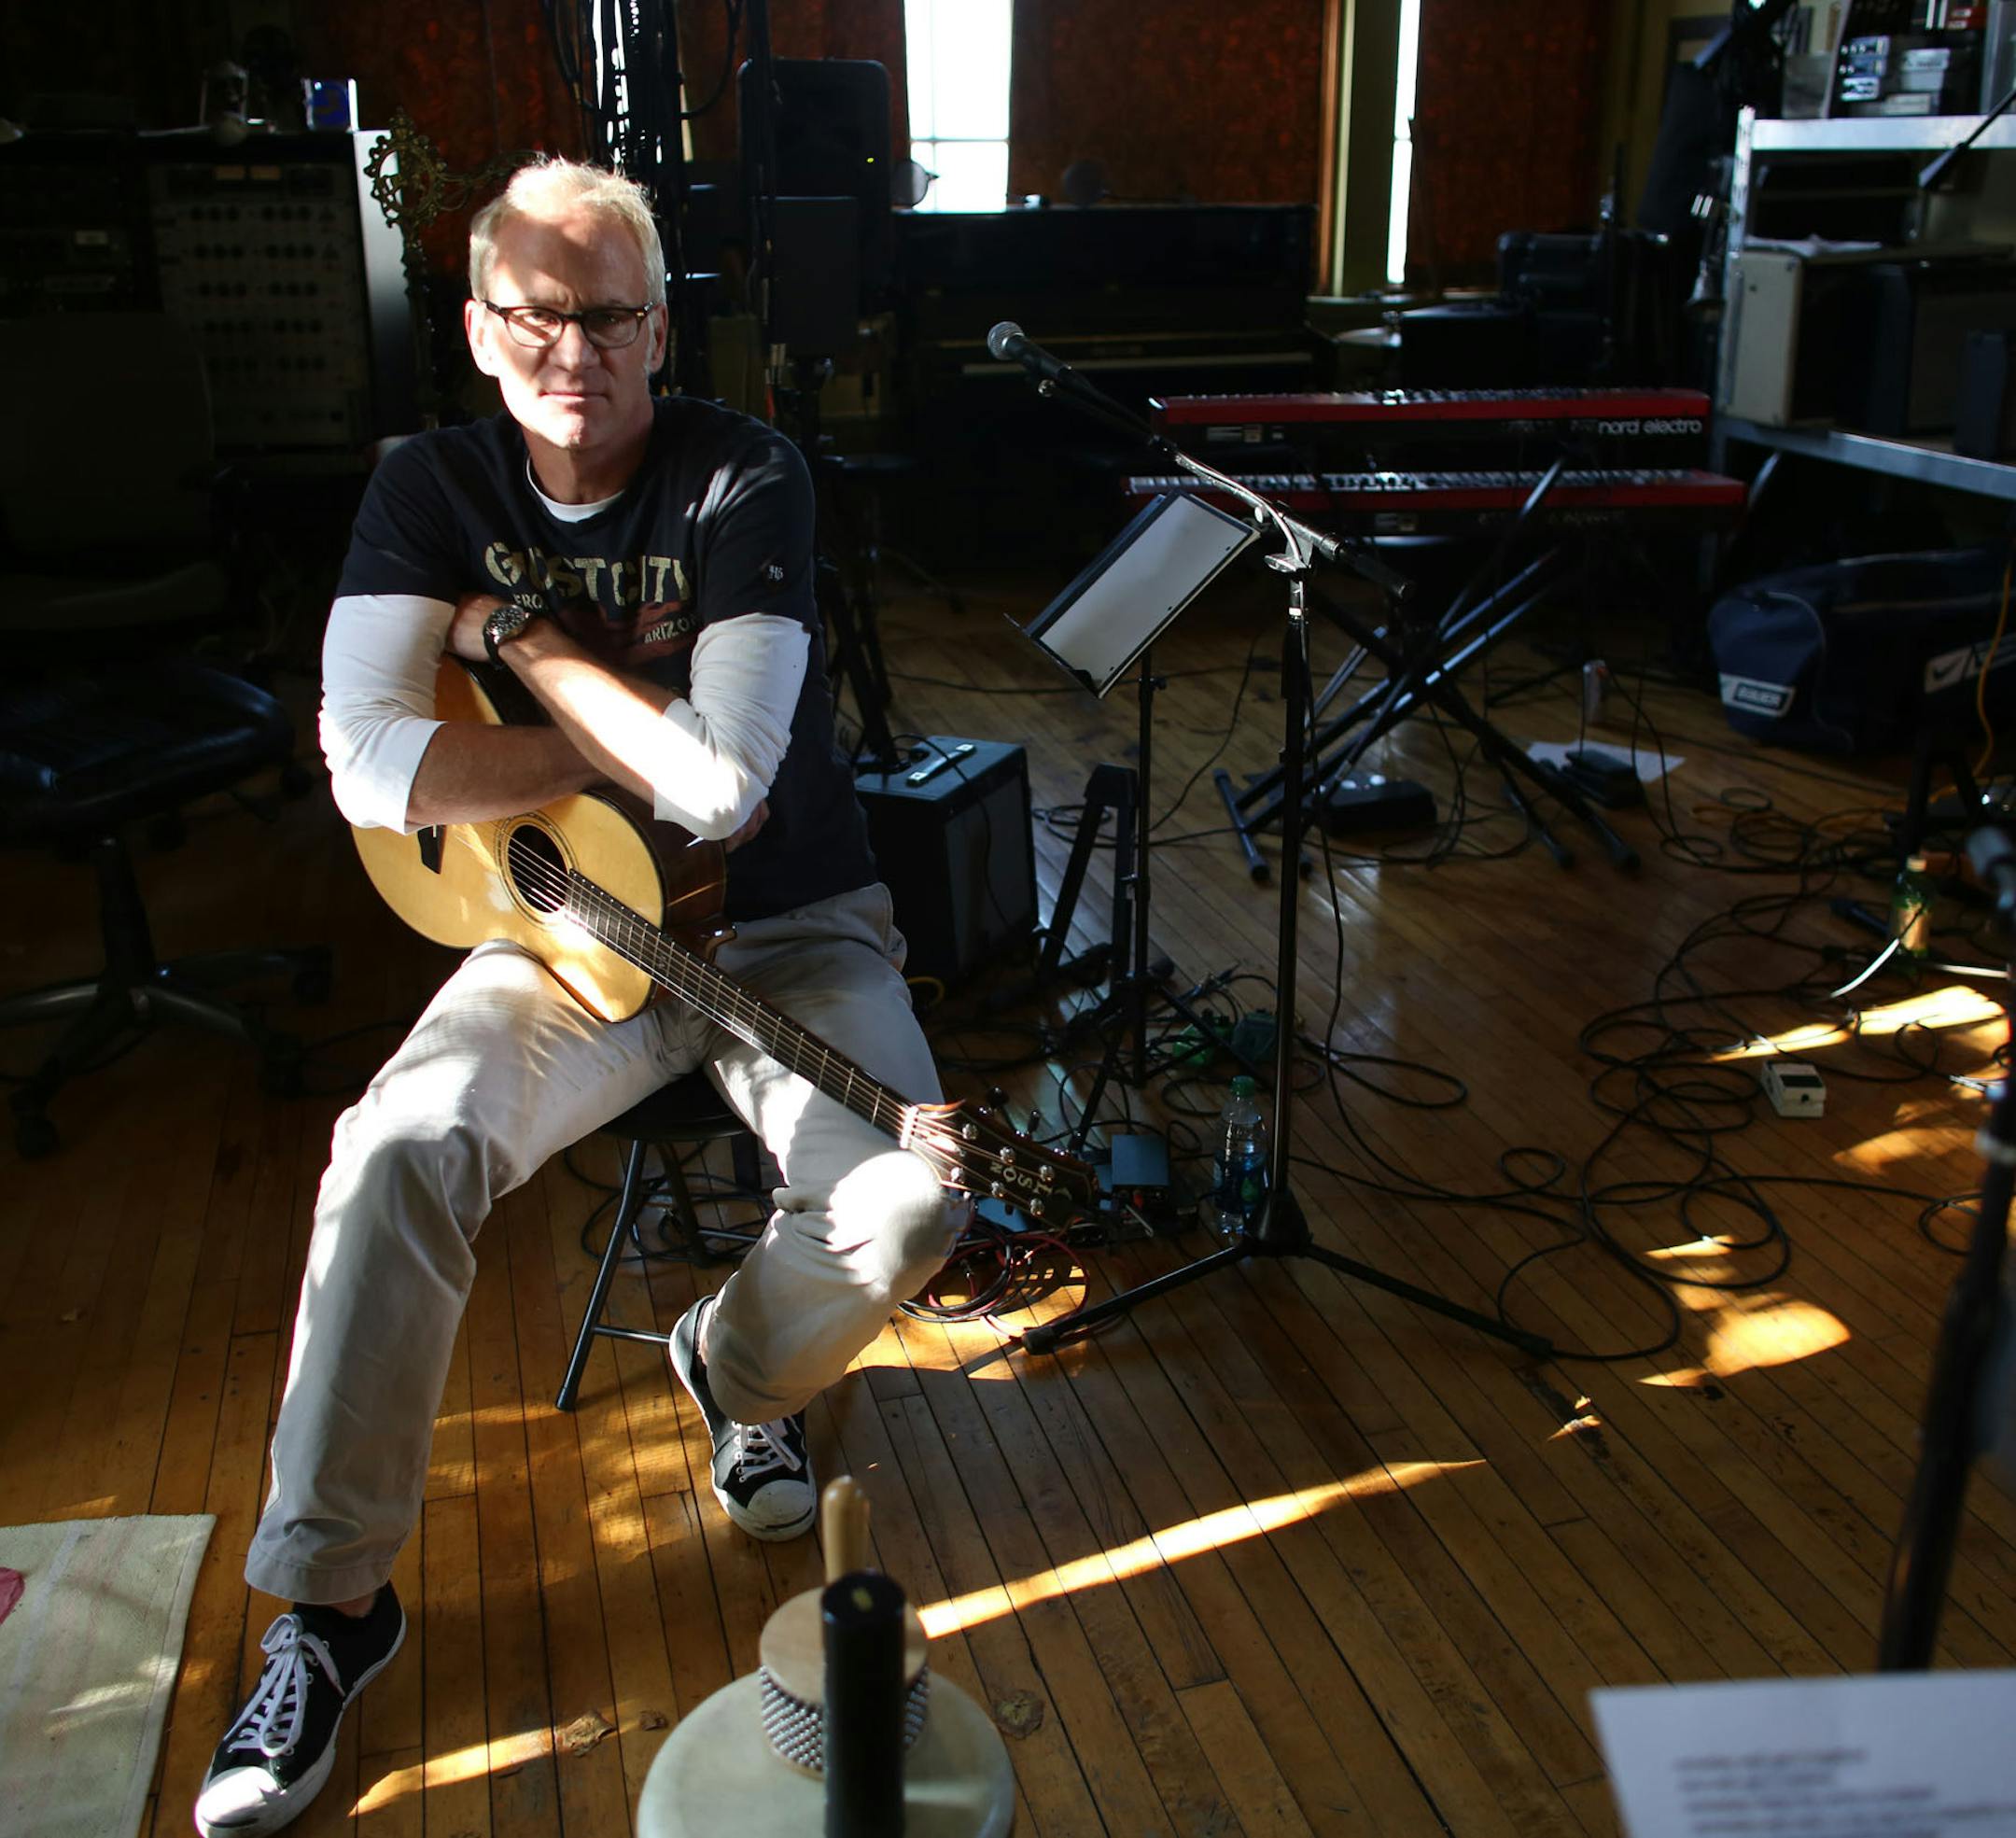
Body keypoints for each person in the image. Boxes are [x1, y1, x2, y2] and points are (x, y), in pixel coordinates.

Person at [193, 157, 956, 1837]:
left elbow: (726, 793)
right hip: (560, 930)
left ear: (659, 327)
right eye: (536, 312)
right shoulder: (425, 488)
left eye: (608, 314)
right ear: (478, 326)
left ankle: (728, 1372)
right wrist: (609, 734)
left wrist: (525, 645)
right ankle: (330, 1608)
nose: (574, 349)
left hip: (788, 921)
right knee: (398, 1148)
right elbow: (369, 762)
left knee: (905, 1204)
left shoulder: (746, 475)